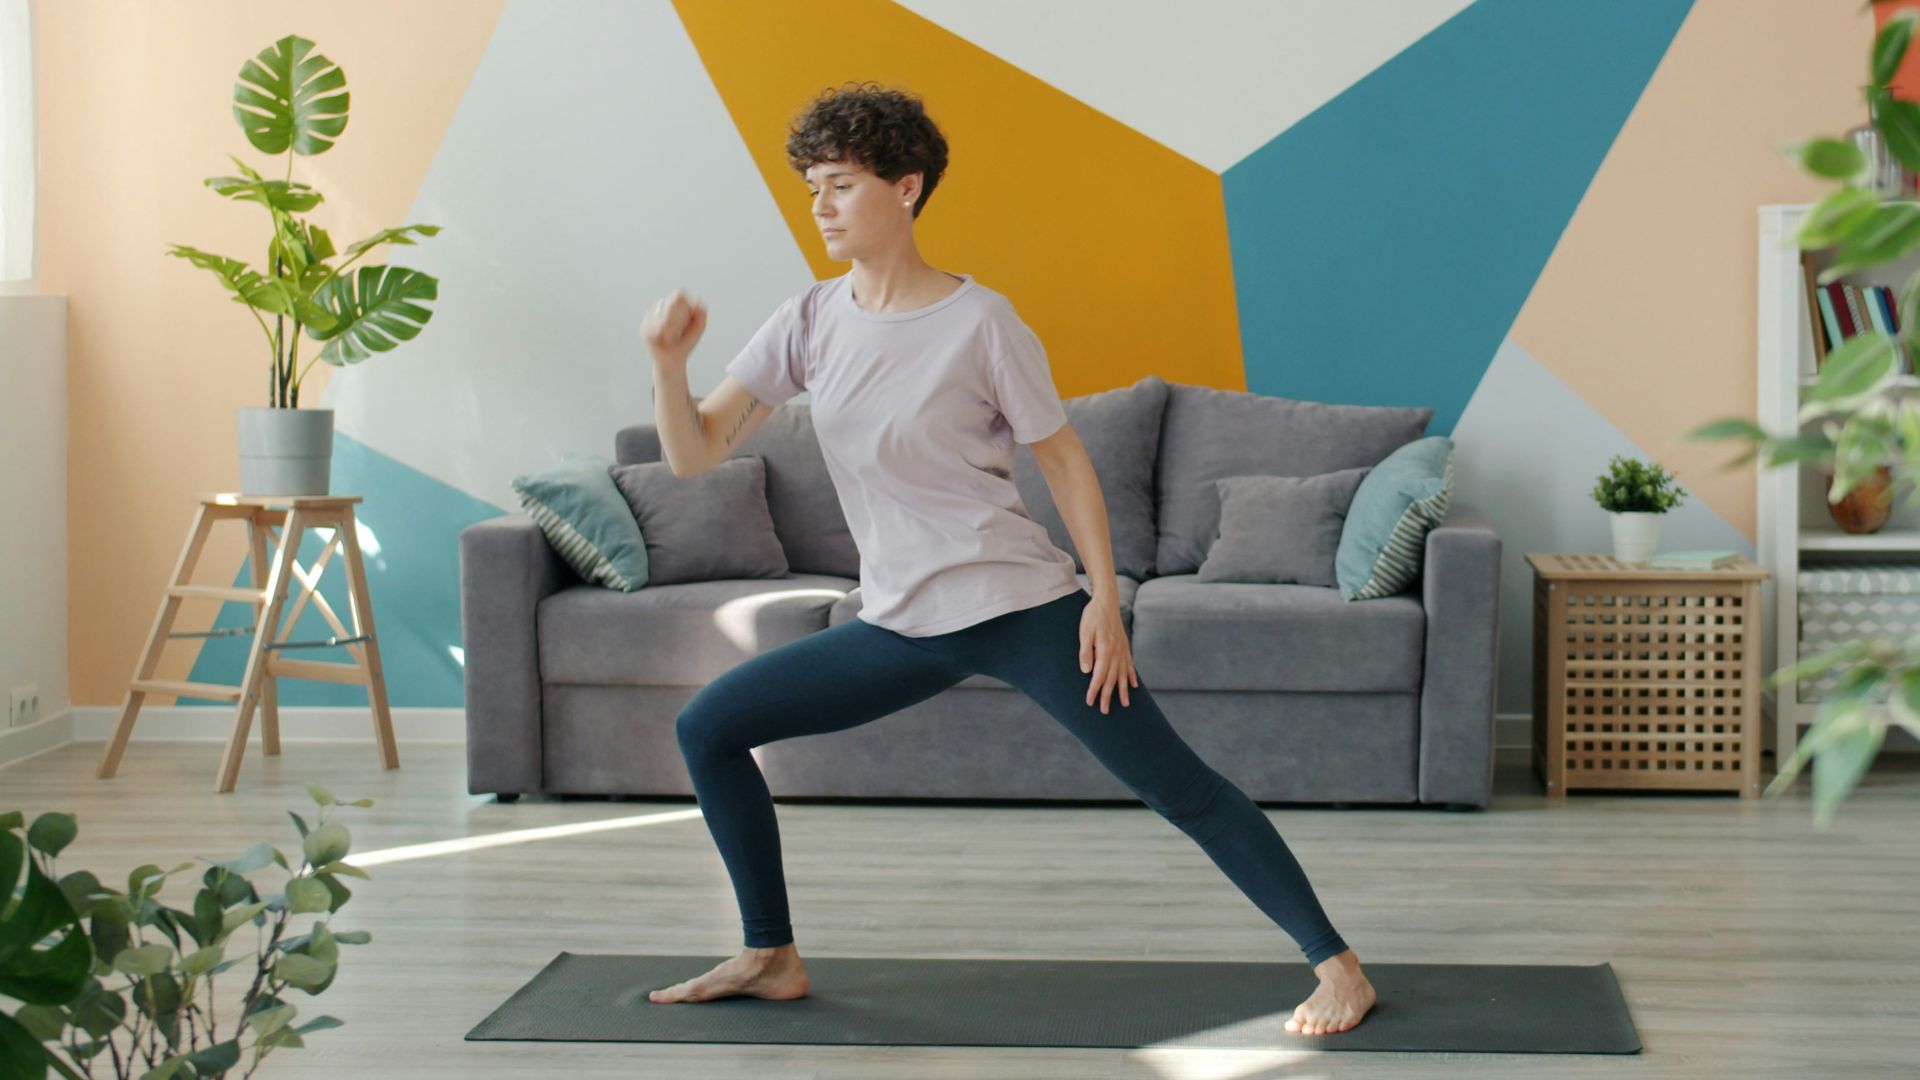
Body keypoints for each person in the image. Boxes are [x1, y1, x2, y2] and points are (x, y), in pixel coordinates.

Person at [636, 81, 1376, 1036]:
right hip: (900, 624)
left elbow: (1064, 462)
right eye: (812, 186)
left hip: (1025, 612)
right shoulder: (809, 322)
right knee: (709, 727)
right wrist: (666, 365)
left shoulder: (981, 323)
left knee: (1178, 786)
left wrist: (1105, 603)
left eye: (841, 185)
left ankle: (1339, 969)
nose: (819, 206)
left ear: (906, 189)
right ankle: (770, 953)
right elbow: (695, 454)